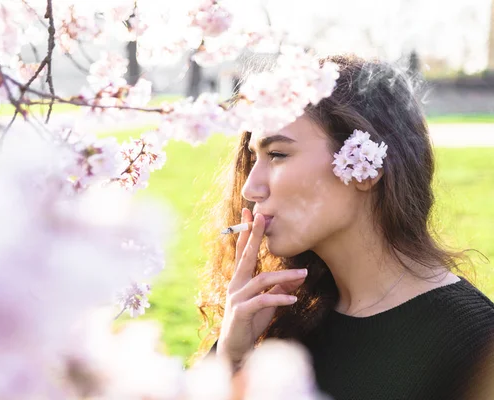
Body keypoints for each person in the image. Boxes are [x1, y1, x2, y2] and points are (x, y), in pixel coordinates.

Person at [197, 54, 494, 400]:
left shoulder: (471, 341)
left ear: (363, 165)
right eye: (253, 158)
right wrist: (230, 362)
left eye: (277, 154)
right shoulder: (276, 316)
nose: (250, 189)